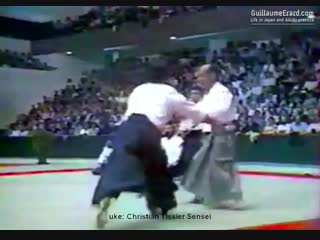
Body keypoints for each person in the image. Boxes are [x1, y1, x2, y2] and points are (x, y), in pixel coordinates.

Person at [92, 65, 208, 228]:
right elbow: (195, 113)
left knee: (118, 164)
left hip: (127, 129)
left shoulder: (139, 90)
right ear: (166, 78)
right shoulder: (168, 91)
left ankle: (107, 195)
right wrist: (211, 119)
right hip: (148, 131)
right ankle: (161, 204)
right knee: (156, 167)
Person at [181, 64, 245, 210]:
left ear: (212, 75)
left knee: (222, 165)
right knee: (200, 163)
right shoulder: (209, 94)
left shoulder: (222, 92)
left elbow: (219, 112)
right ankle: (202, 193)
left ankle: (231, 197)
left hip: (222, 132)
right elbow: (197, 111)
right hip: (209, 132)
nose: (198, 80)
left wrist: (198, 116)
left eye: (201, 76)